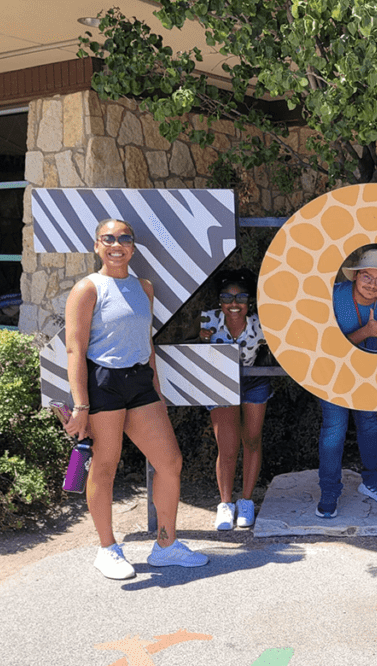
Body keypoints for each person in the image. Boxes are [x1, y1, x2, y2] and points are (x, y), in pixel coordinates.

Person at [64, 218, 208, 579]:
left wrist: (156, 390)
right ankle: (107, 548)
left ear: (132, 246)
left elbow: (147, 341)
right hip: (103, 383)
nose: (117, 245)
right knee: (106, 465)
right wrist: (81, 406)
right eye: (108, 239)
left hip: (140, 381)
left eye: (124, 238)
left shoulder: (144, 287)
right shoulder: (87, 288)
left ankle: (165, 546)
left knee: (170, 462)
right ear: (97, 245)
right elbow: (74, 349)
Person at [315, 247, 377, 518]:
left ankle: (373, 484)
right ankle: (329, 492)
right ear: (355, 276)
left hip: (366, 374)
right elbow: (323, 346)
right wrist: (365, 332)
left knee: (369, 426)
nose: (373, 285)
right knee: (334, 430)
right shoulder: (333, 297)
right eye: (367, 277)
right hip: (330, 373)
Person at [199, 269, 271, 530]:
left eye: (241, 297)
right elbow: (196, 349)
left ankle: (247, 501)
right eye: (227, 298)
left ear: (249, 301)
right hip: (221, 383)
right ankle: (226, 504)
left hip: (254, 382)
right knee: (227, 447)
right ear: (219, 301)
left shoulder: (259, 323)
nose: (234, 304)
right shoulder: (208, 320)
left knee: (252, 439)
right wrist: (201, 339)